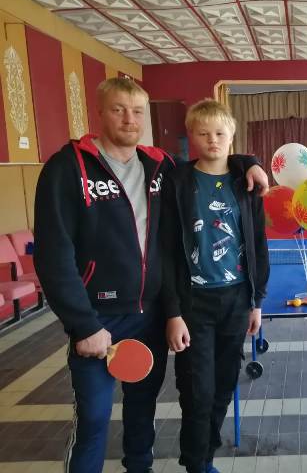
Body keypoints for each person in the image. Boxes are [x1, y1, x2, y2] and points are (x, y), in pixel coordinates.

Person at [33, 78, 269, 473]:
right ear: (100, 111)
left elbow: (214, 157)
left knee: (142, 411)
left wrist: (250, 162)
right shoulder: (67, 167)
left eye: (137, 111)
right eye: (118, 109)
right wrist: (83, 324)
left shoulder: (160, 167)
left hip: (150, 315)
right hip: (97, 318)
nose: (129, 119)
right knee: (93, 420)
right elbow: (53, 254)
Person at [161, 99, 269, 473]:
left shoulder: (246, 182)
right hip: (193, 303)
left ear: (232, 136)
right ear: (191, 136)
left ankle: (204, 457)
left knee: (223, 385)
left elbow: (258, 245)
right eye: (203, 133)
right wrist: (172, 312)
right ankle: (195, 463)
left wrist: (256, 302)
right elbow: (166, 250)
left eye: (220, 133)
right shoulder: (176, 181)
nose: (212, 140)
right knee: (197, 391)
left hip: (237, 300)